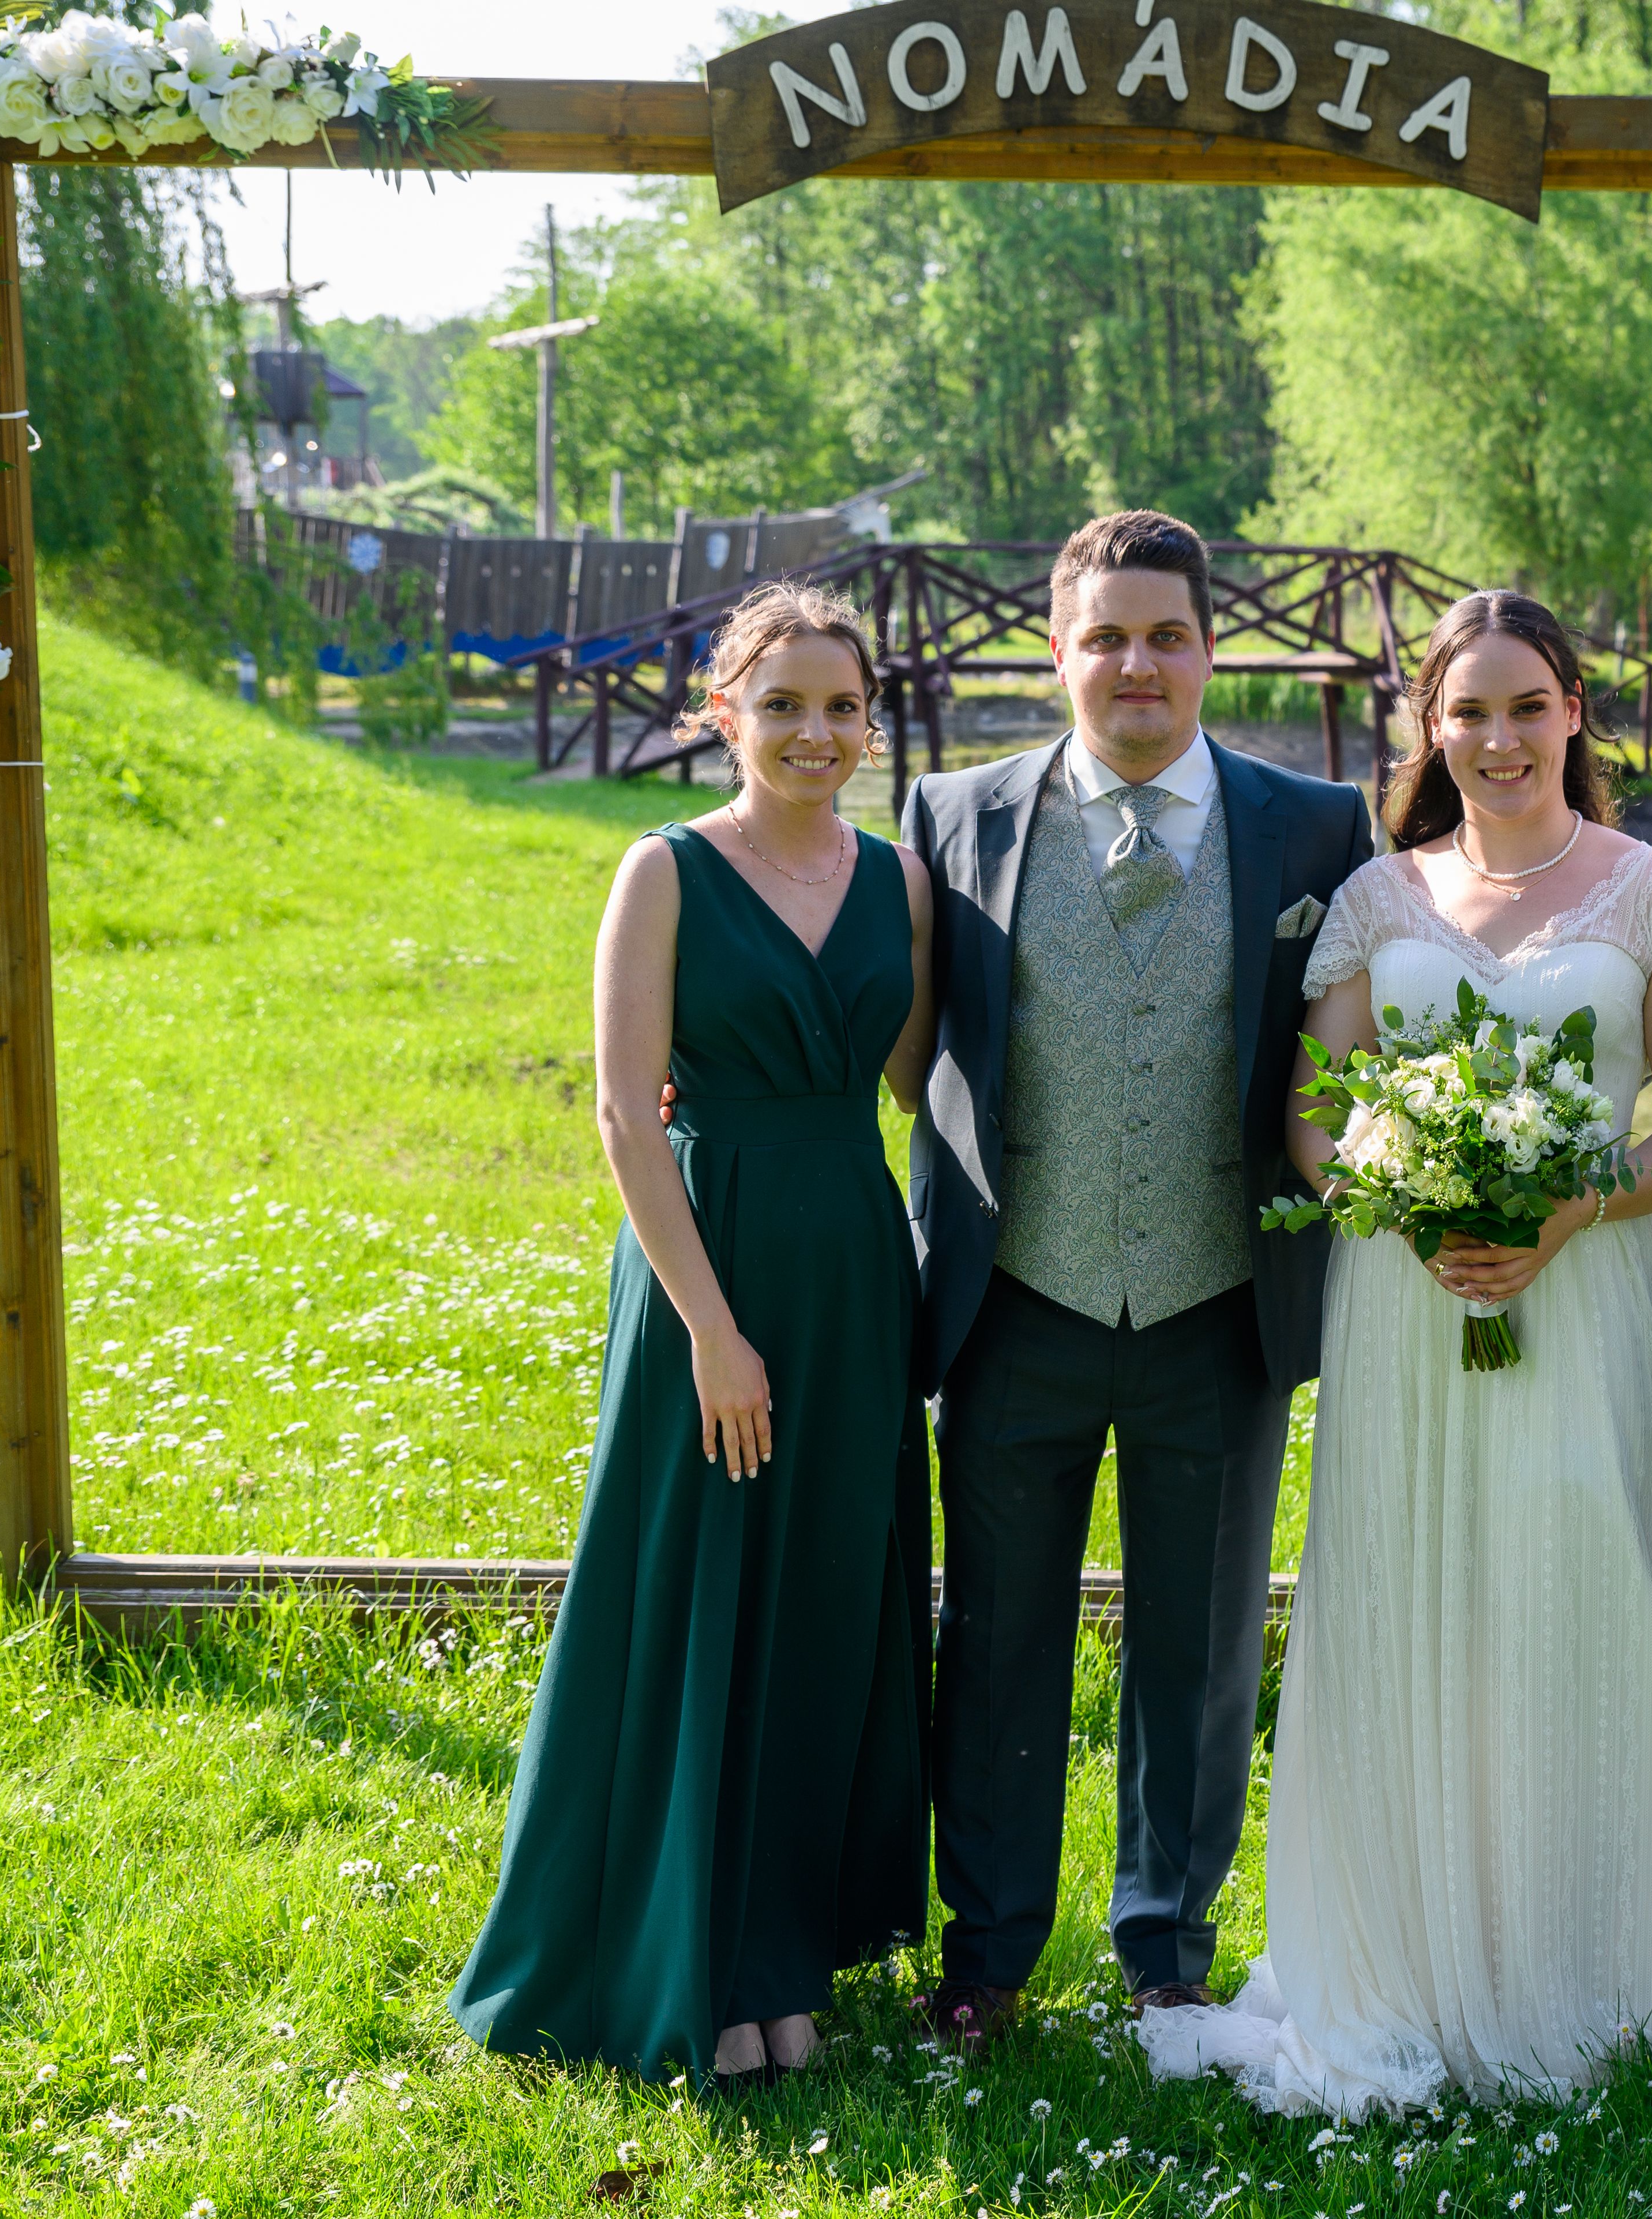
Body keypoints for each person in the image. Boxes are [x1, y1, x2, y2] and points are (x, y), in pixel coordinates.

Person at [1135, 589, 1652, 2115]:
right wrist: (1398, 1202)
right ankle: (1409, 1957)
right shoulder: (1378, 896)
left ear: (1573, 714)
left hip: (1585, 1299)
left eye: (1527, 706)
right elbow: (1312, 1111)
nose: (1499, 738)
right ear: (1432, 729)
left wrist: (1566, 1210)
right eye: (1467, 712)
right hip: (1407, 1307)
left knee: (1573, 1609)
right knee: (1414, 1608)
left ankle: (1580, 1964)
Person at [449, 580, 938, 2090]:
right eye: (781, 704)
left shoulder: (903, 883)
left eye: (841, 707)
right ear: (722, 714)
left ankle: (786, 1955)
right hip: (705, 1268)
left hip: (853, 1272)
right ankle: (692, 1958)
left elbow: (929, 1085)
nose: (814, 732)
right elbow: (622, 1113)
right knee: (700, 1591)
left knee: (824, 1601)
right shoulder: (662, 870)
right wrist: (714, 1334)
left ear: (873, 724)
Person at [903, 510, 1377, 2048]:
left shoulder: (1317, 827)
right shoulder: (953, 814)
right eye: (1105, 636)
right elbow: (897, 1027)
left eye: (1167, 635)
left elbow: (1362, 1039)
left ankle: (1166, 1947)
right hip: (1013, 1301)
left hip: (1217, 1306)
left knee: (1201, 1647)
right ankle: (987, 1952)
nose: (1137, 665)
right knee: (996, 1640)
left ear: (1210, 651)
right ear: (1058, 651)